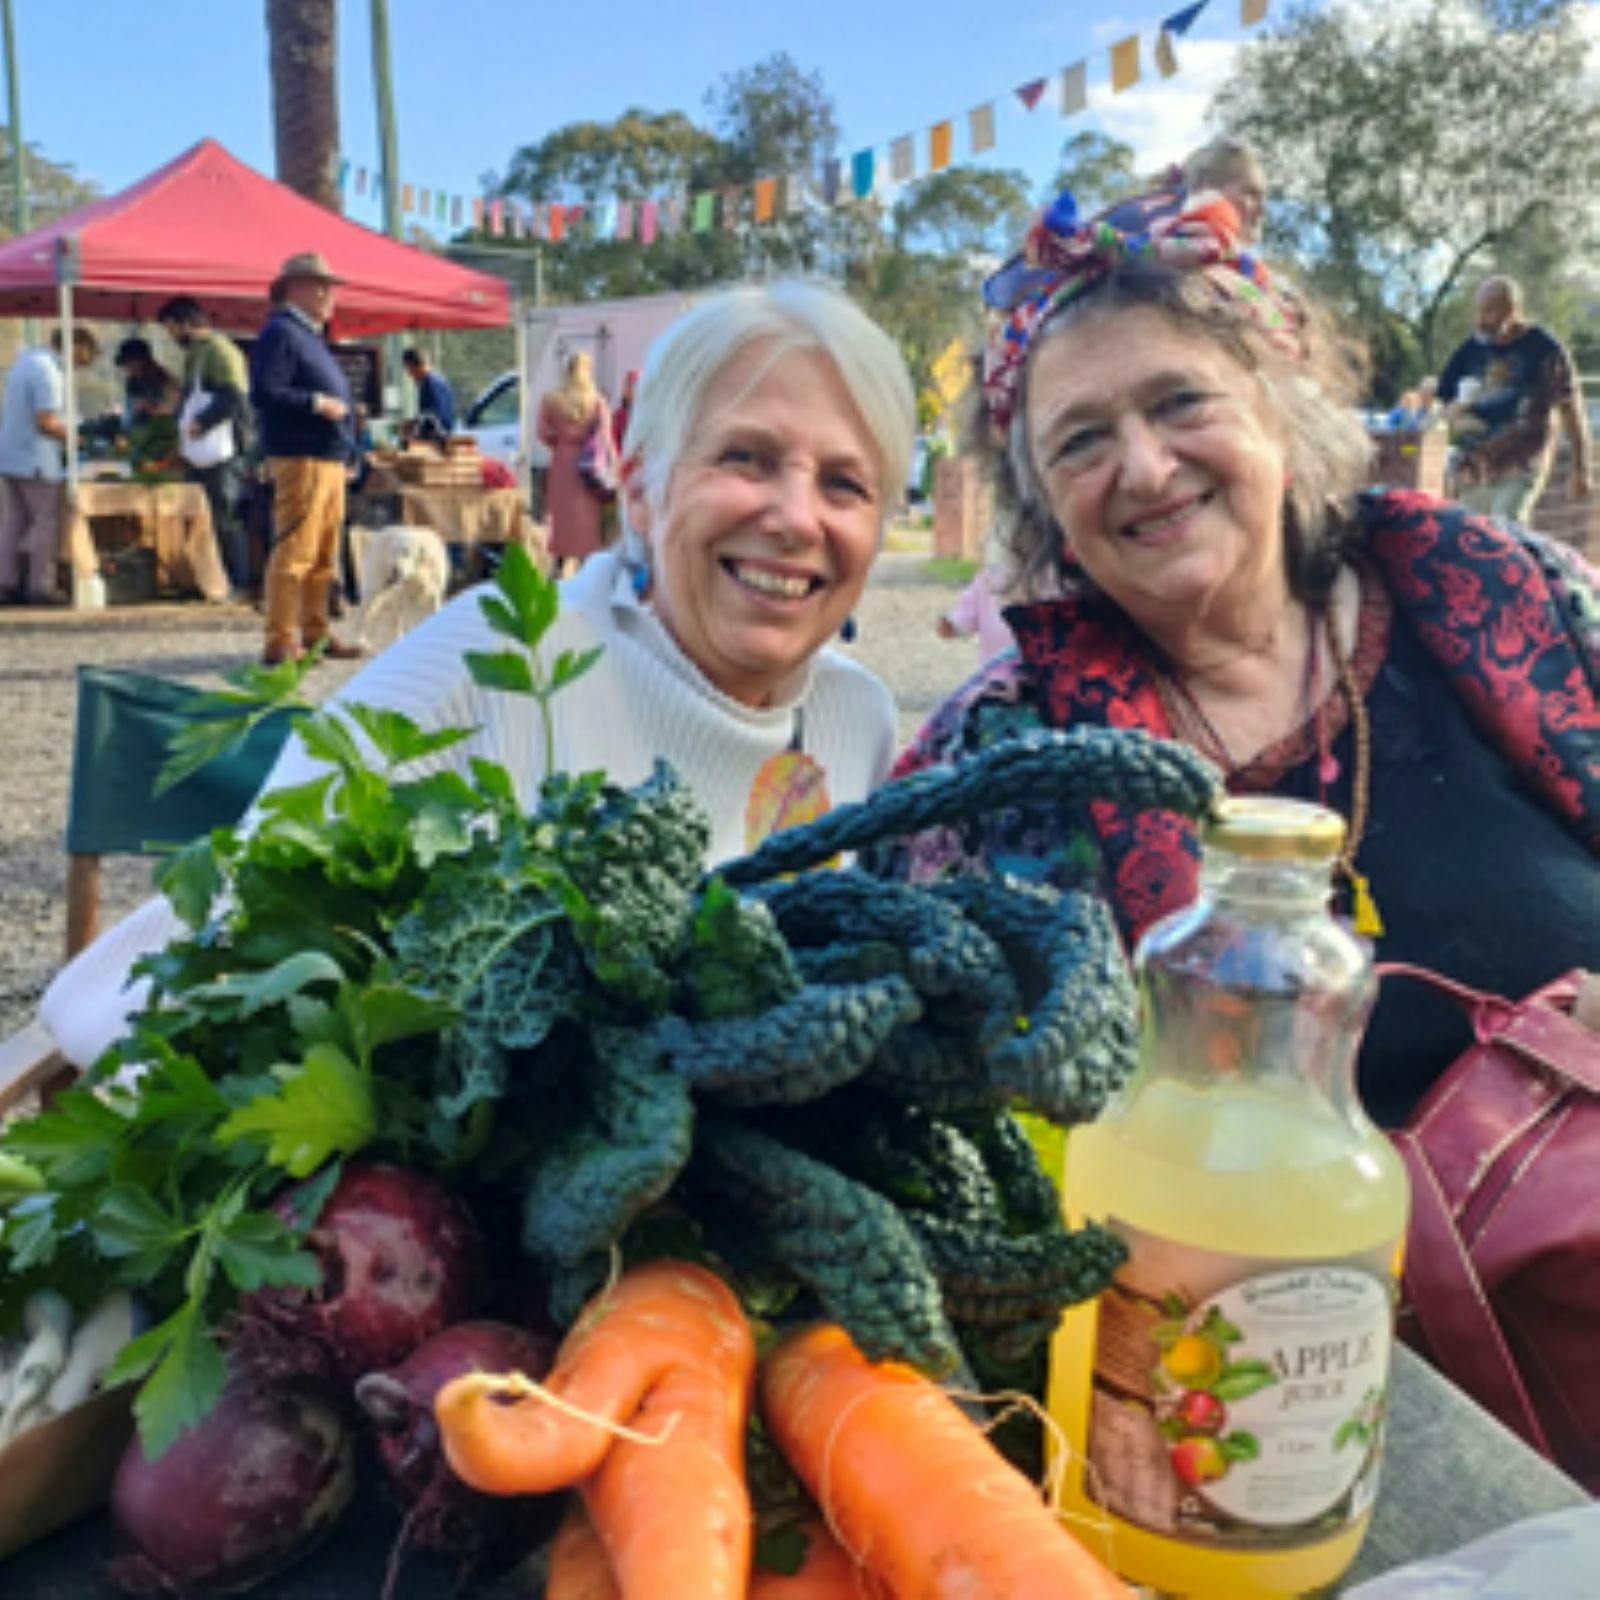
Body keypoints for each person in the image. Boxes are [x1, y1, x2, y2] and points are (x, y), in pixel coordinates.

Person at [40, 278, 915, 1068]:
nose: (797, 518)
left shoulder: (857, 718)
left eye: (846, 484)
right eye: (745, 458)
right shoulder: (489, 661)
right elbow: (185, 981)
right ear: (642, 489)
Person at [880, 187, 1600, 1129]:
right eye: (1081, 440)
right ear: (1043, 507)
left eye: (1180, 401)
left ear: (1281, 419)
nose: (1142, 467)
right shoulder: (991, 759)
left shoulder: (1512, 595)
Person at [248, 251, 362, 666]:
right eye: (319, 285)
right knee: (296, 549)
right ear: (292, 289)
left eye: (329, 286)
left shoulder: (309, 336)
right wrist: (316, 402)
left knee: (323, 556)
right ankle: (280, 640)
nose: (328, 294)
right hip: (301, 457)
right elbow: (264, 392)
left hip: (327, 459)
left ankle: (315, 632)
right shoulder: (280, 332)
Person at [1436, 275, 1591, 523]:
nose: (1481, 319)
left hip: (1521, 463)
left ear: (1512, 310)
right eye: (1480, 310)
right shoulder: (1471, 349)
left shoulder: (1544, 349)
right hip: (1474, 469)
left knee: (1505, 529)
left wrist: (1580, 468)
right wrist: (1451, 413)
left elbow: (1570, 408)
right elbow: (1442, 400)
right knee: (1471, 541)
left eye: (1490, 311)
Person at [157, 296, 254, 595]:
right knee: (201, 515)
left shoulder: (220, 351)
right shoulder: (197, 353)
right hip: (200, 450)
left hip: (224, 451)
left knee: (225, 516)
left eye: (171, 328)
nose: (171, 336)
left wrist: (203, 421)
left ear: (186, 323)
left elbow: (234, 397)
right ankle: (207, 577)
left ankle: (235, 579)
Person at [0, 326, 98, 605]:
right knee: (46, 522)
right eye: (84, 357)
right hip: (35, 459)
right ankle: (41, 586)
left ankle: (5, 582)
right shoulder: (49, 372)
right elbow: (45, 420)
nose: (81, 365)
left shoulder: (26, 362)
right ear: (75, 348)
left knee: (13, 522)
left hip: (10, 454)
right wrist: (74, 438)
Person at [538, 350, 613, 575]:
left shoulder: (550, 399)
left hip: (562, 462)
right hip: (588, 466)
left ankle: (557, 567)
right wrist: (614, 467)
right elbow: (605, 436)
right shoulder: (597, 401)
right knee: (586, 520)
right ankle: (586, 570)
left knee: (561, 517)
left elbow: (543, 433)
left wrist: (560, 442)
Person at [1182, 135, 1267, 246]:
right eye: (1251, 193)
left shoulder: (1241, 261)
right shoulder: (1161, 252)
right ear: (1205, 189)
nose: (1262, 209)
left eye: (1263, 198)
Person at [935, 565, 1017, 660]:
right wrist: (953, 625)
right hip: (996, 666)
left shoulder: (1036, 578)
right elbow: (968, 611)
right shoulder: (989, 576)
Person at [112, 337, 178, 422]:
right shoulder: (132, 382)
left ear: (141, 361)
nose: (126, 368)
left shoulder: (163, 380)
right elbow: (129, 411)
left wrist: (150, 408)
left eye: (129, 362)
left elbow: (173, 408)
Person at [402, 347, 456, 442]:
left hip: (437, 441)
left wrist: (413, 426)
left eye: (408, 370)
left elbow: (432, 419)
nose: (409, 375)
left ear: (412, 366)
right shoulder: (438, 380)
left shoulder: (429, 384)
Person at [611, 368, 639, 453]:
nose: (629, 388)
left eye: (632, 384)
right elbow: (614, 441)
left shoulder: (646, 413)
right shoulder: (618, 415)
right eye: (627, 384)